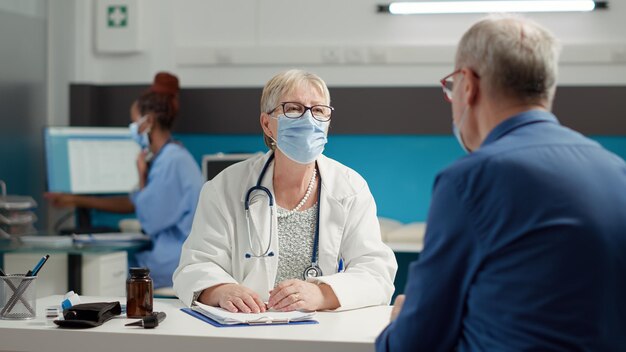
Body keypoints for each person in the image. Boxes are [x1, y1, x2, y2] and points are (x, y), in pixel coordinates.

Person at [376, 15, 626, 351]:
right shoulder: (615, 170)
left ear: (468, 85)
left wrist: (398, 325)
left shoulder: (471, 179)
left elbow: (417, 341)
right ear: (547, 88)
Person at [173, 69, 397, 313]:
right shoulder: (225, 187)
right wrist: (222, 290)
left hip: (321, 331)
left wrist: (322, 294)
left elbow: (376, 272)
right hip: (245, 329)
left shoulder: (350, 187)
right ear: (267, 124)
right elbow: (194, 266)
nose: (309, 120)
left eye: (319, 110)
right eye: (293, 109)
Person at [46, 72, 203, 289]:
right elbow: (144, 206)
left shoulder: (172, 162)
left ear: (148, 122)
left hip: (172, 260)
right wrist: (74, 200)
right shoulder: (169, 157)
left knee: (107, 273)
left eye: (133, 122)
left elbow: (149, 218)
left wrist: (141, 175)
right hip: (170, 254)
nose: (132, 129)